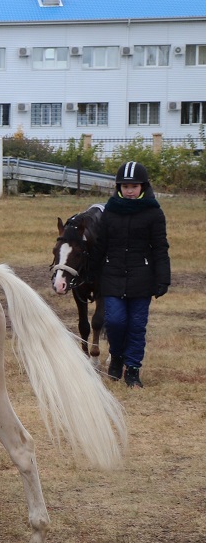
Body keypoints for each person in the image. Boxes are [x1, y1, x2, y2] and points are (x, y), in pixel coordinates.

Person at [91, 161, 171, 388]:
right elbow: (100, 246)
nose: (129, 190)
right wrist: (91, 274)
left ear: (143, 187)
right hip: (113, 276)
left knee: (136, 326)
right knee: (115, 322)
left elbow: (160, 248)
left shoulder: (154, 213)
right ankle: (117, 356)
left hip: (141, 279)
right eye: (125, 186)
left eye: (134, 186)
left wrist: (163, 278)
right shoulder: (110, 212)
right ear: (119, 187)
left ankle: (133, 370)